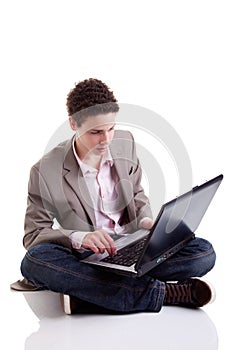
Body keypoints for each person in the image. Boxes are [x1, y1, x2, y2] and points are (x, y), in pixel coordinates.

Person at [14, 78, 216, 314]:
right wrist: (81, 237)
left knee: (203, 253)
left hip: (133, 246)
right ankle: (166, 294)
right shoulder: (45, 170)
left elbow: (137, 193)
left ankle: (88, 295)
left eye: (111, 128)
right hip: (86, 257)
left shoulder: (125, 142)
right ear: (73, 124)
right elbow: (34, 234)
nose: (106, 140)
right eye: (96, 132)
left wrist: (146, 221)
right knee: (35, 261)